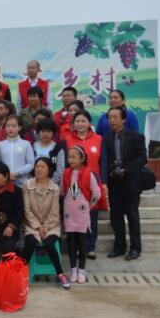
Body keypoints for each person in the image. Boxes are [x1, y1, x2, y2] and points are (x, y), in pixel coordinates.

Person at [101, 106, 147, 261]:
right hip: (114, 184)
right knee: (116, 217)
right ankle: (119, 247)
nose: (112, 120)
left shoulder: (136, 137)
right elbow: (104, 161)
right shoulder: (106, 139)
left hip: (131, 183)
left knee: (133, 216)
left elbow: (142, 159)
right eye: (110, 118)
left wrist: (125, 170)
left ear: (123, 119)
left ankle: (135, 248)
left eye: (115, 117)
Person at [20, 157, 70, 289]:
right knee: (30, 242)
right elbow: (27, 210)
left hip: (51, 226)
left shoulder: (54, 188)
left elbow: (55, 212)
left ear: (49, 170)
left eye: (42, 167)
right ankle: (20, 274)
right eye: (37, 166)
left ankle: (60, 274)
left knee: (49, 243)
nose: (39, 169)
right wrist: (37, 226)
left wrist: (45, 227)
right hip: (32, 225)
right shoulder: (27, 185)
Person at [63, 109, 105, 259]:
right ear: (73, 124)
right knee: (75, 215)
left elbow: (103, 162)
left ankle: (90, 247)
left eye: (83, 121)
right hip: (73, 183)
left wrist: (104, 182)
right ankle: (75, 248)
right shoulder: (67, 140)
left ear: (89, 123)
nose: (80, 124)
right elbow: (65, 163)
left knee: (91, 215)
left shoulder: (99, 139)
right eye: (77, 121)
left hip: (92, 182)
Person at [62, 146, 101, 283]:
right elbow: (62, 191)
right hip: (69, 213)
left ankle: (82, 270)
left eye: (74, 157)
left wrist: (88, 206)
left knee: (82, 242)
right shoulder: (66, 173)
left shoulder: (89, 173)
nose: (70, 160)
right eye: (69, 157)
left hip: (82, 214)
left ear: (82, 158)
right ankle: (73, 269)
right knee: (71, 242)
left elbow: (97, 193)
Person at [0, 163, 24, 262]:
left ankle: (7, 274)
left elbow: (19, 211)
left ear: (6, 176)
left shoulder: (16, 191)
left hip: (8, 229)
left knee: (9, 249)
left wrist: (11, 227)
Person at [0, 116, 35, 187]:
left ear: (19, 127)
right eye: (8, 126)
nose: (10, 128)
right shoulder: (0, 145)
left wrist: (16, 173)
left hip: (23, 184)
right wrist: (5, 175)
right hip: (5, 184)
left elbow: (31, 163)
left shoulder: (26, 144)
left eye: (14, 126)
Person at [33, 119, 66, 186]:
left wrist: (49, 184)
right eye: (42, 131)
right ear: (38, 132)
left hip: (52, 187)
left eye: (48, 131)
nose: (45, 134)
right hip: (34, 185)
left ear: (53, 133)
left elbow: (60, 169)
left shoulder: (58, 148)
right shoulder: (32, 147)